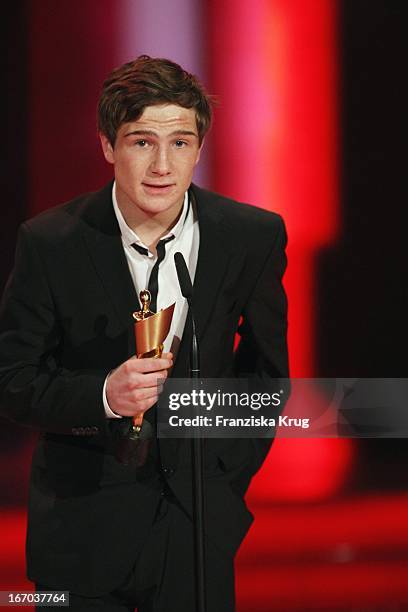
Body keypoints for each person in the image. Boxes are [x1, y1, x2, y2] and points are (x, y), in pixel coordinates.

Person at [0, 56, 288, 611]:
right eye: (141, 142)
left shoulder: (250, 236)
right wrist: (104, 395)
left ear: (200, 148)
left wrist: (225, 473)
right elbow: (12, 380)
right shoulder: (50, 242)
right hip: (81, 525)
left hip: (196, 524)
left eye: (180, 142)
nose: (162, 164)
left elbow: (268, 376)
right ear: (109, 145)